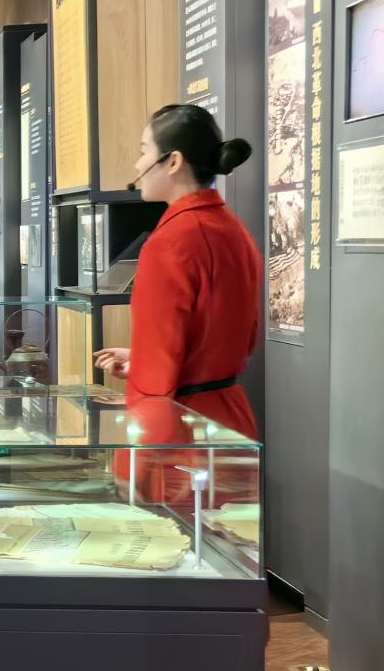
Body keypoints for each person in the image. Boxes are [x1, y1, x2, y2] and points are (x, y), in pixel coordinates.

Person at [96, 105, 263, 437]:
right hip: (229, 421)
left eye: (144, 151)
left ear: (173, 161)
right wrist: (141, 358)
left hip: (181, 429)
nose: (138, 165)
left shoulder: (171, 241)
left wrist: (138, 457)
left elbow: (156, 380)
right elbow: (227, 337)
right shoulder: (233, 229)